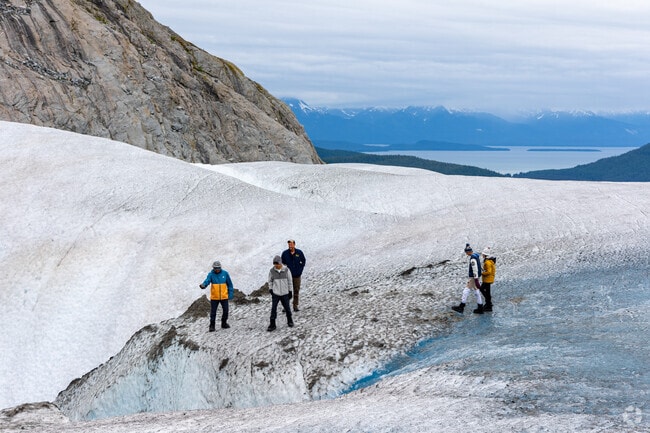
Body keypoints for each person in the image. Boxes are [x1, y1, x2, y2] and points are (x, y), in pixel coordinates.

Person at [199, 261, 234, 331]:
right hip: (215, 297)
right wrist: (203, 285)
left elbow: (230, 284)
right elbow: (207, 281)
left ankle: (224, 323)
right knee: (213, 312)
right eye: (215, 268)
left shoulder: (225, 273)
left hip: (224, 296)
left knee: (226, 311)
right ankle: (212, 326)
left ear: (220, 267)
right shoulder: (211, 274)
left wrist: (230, 294)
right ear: (213, 268)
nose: (217, 269)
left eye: (218, 268)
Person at [451, 243, 485, 314]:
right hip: (477, 275)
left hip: (473, 277)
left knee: (466, 290)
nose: (466, 254)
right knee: (476, 291)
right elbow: (479, 265)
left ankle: (461, 306)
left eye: (466, 252)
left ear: (468, 252)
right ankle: (480, 306)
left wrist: (475, 278)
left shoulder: (472, 258)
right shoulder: (476, 256)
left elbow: (475, 268)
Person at [267, 255, 294, 331]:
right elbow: (270, 281)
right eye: (275, 264)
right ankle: (272, 324)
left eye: (277, 264)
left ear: (281, 263)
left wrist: (290, 291)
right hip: (276, 293)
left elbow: (289, 281)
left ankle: (290, 321)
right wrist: (271, 289)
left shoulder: (286, 270)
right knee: (273, 309)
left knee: (287, 308)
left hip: (285, 293)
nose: (276, 265)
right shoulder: (272, 271)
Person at [281, 239, 306, 312]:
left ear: (294, 244)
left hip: (297, 275)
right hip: (287, 275)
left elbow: (303, 261)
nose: (290, 246)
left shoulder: (299, 252)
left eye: (291, 244)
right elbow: (282, 263)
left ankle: (295, 305)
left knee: (296, 290)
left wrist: (300, 270)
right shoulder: (285, 253)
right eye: (289, 244)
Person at [480, 247, 497, 312]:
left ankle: (488, 304)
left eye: (483, 254)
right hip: (489, 279)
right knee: (487, 291)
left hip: (487, 279)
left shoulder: (487, 262)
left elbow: (488, 271)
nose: (482, 255)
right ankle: (488, 304)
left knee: (482, 289)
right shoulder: (490, 261)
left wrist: (482, 273)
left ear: (485, 255)